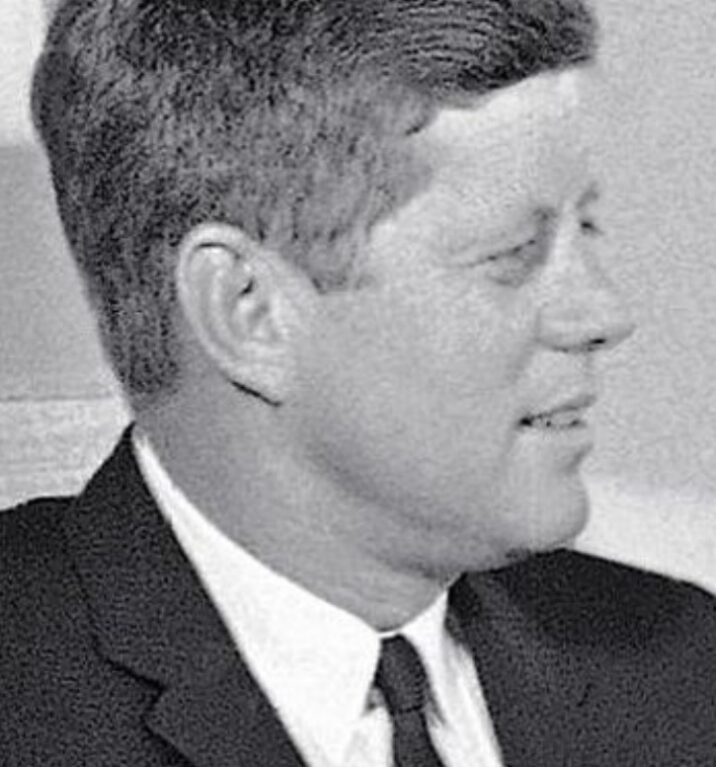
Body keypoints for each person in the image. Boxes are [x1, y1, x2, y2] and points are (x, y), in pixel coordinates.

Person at [1, 0, 714, 764]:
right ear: (249, 311)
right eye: (513, 253)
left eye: (587, 228)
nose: (603, 314)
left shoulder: (679, 663)